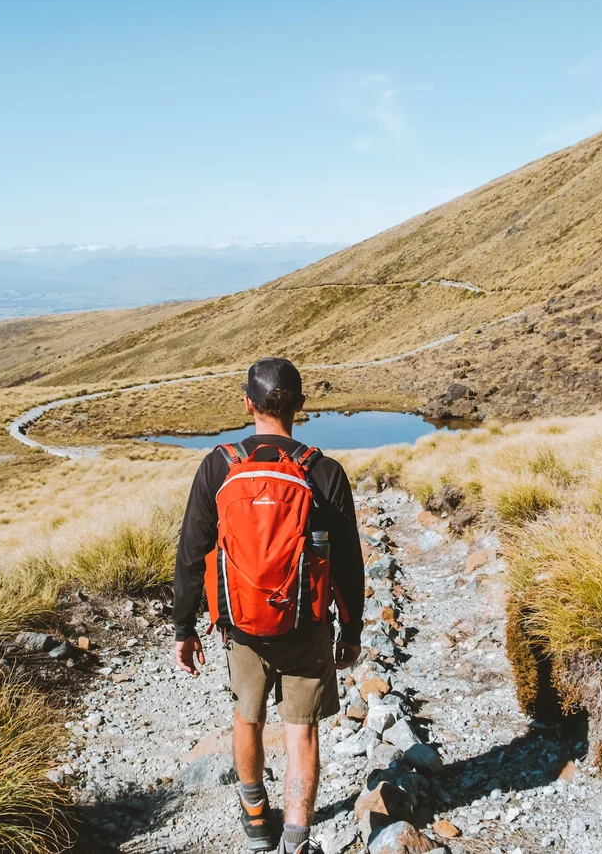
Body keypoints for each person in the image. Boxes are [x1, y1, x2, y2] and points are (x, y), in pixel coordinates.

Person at [173, 357, 365, 854]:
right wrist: (352, 629)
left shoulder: (219, 464)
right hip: (307, 624)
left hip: (241, 626)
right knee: (301, 732)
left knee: (247, 717)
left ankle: (257, 820)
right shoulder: (323, 471)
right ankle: (296, 841)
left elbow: (193, 552)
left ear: (248, 403)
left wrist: (184, 627)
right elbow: (347, 563)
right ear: (301, 405)